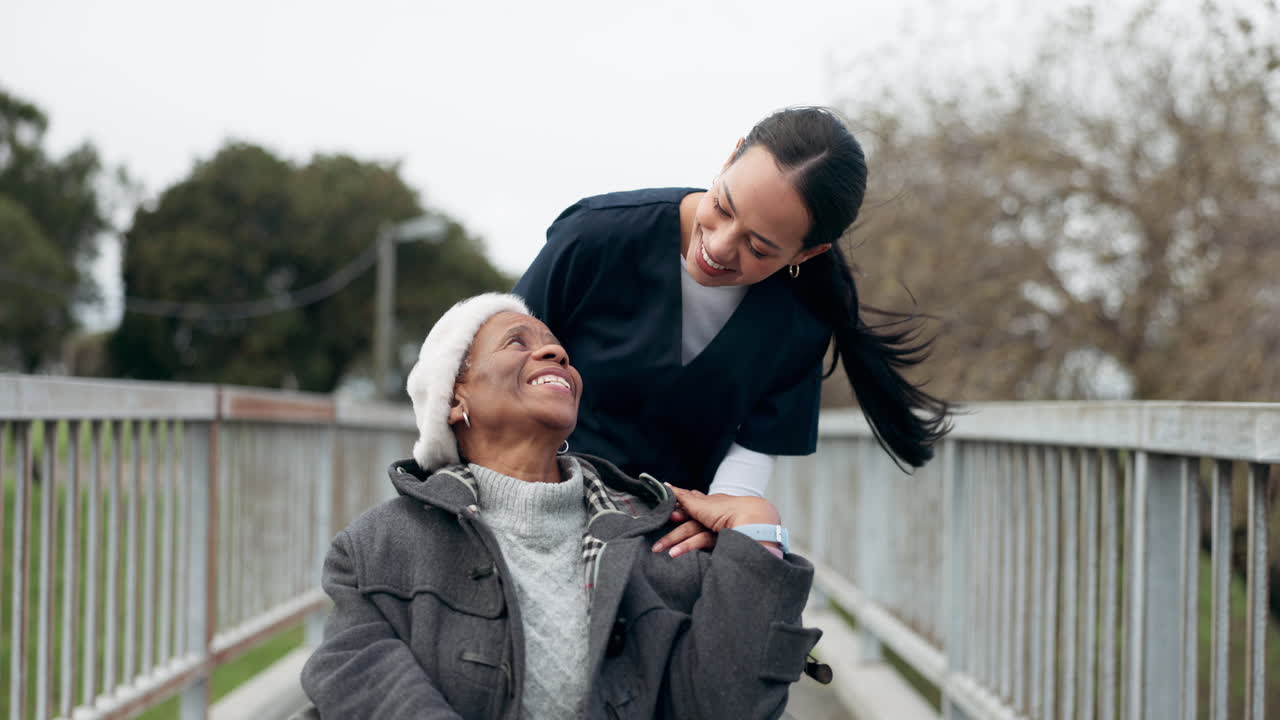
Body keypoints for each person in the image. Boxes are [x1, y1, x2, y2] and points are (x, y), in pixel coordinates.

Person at [299, 293, 823, 720]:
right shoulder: (374, 550)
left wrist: (756, 532)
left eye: (558, 350)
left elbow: (729, 707)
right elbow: (353, 677)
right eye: (516, 343)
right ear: (454, 399)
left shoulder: (661, 538)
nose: (556, 355)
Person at [514, 106, 951, 556]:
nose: (718, 246)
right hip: (535, 507)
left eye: (758, 248)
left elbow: (754, 449)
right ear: (731, 157)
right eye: (722, 206)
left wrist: (723, 517)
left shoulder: (803, 317)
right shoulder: (595, 236)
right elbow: (497, 360)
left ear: (807, 253)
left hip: (671, 539)